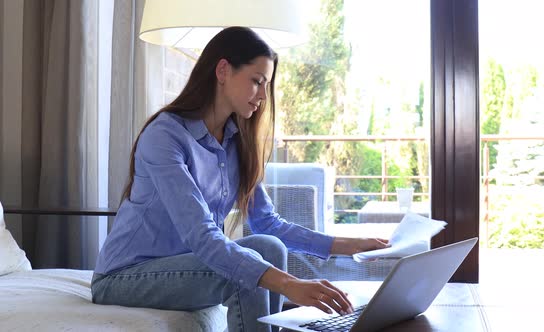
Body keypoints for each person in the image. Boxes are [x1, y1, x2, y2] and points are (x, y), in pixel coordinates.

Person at [91, 26, 388, 332]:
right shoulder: (165, 136)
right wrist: (289, 284)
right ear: (223, 70)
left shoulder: (236, 141)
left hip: (183, 262)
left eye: (266, 85)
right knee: (245, 270)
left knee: (270, 246)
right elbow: (203, 236)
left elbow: (268, 224)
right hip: (124, 276)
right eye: (256, 82)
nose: (263, 95)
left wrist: (349, 245)